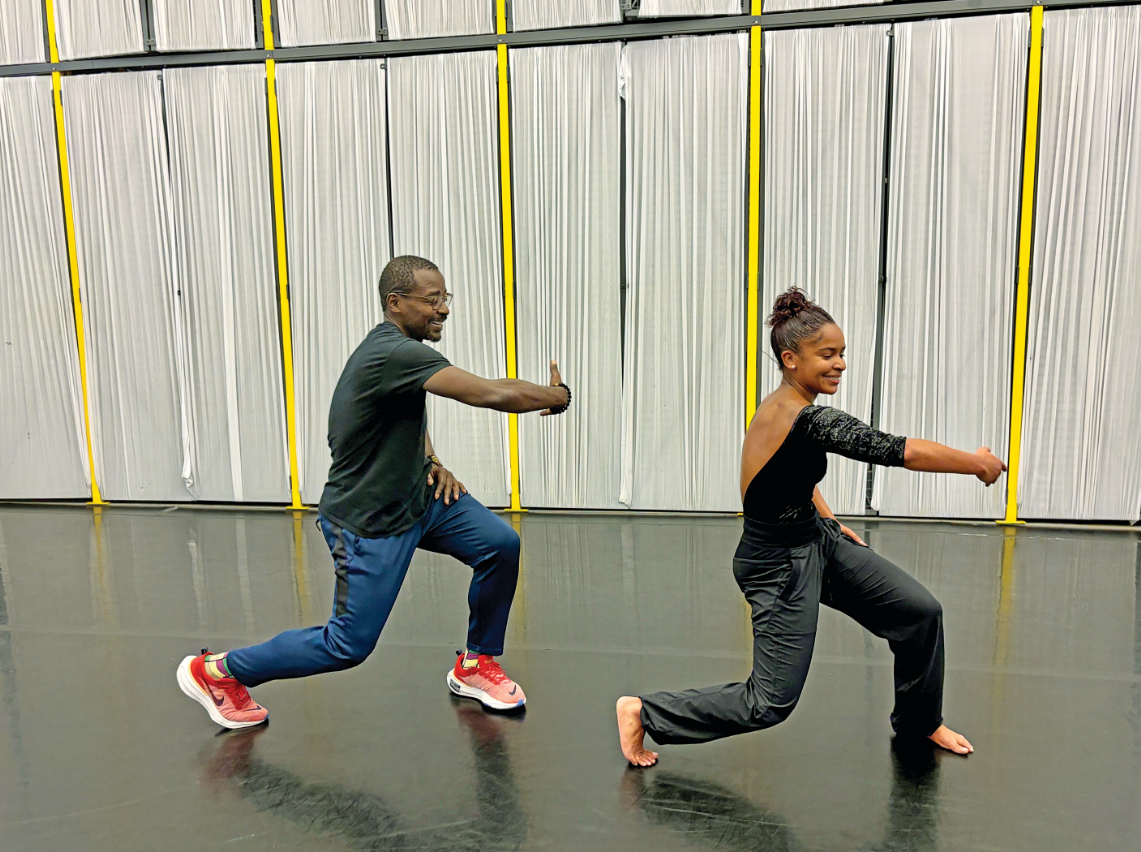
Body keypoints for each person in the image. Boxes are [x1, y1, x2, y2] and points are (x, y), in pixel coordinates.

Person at [177, 255, 571, 729]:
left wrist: (431, 461)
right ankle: (216, 672)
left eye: (446, 299)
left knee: (499, 545)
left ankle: (476, 664)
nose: (443, 309)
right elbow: (488, 392)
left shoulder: (403, 355)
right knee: (347, 645)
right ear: (396, 303)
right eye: (433, 300)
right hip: (369, 522)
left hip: (418, 498)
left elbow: (404, 411)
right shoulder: (394, 353)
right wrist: (556, 396)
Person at [616, 288, 1005, 766]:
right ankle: (645, 713)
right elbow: (892, 449)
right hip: (776, 565)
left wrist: (830, 520)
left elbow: (785, 474)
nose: (840, 364)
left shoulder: (791, 407)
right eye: (827, 354)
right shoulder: (800, 416)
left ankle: (920, 721)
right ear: (790, 359)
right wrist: (977, 463)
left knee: (920, 613)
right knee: (769, 702)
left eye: (842, 353)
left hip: (814, 540)